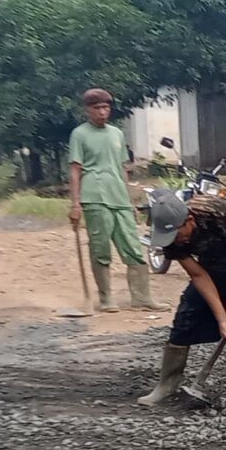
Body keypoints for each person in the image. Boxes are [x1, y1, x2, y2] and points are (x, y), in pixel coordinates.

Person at [137, 191, 226, 409]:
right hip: (213, 266)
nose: (174, 241)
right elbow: (199, 275)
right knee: (186, 315)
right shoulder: (170, 238)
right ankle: (167, 385)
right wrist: (222, 318)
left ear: (189, 220)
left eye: (177, 235)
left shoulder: (216, 210)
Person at [67, 87, 155, 312]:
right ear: (88, 110)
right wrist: (75, 204)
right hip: (94, 197)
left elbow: (123, 169)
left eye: (106, 107)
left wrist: (130, 200)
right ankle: (106, 298)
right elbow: (75, 169)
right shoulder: (80, 134)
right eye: (97, 108)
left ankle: (142, 297)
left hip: (119, 197)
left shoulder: (116, 133)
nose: (103, 112)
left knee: (134, 248)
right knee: (100, 248)